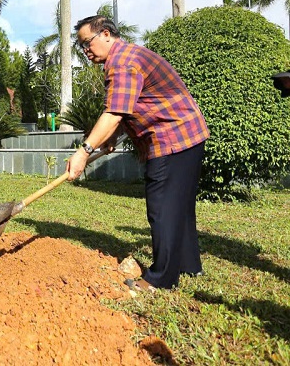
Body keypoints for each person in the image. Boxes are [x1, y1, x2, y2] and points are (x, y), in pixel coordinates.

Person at [66, 15, 209, 292]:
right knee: (179, 208)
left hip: (172, 138)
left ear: (106, 34)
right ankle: (189, 266)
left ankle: (161, 279)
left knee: (162, 208)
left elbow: (115, 112)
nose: (85, 51)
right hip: (189, 135)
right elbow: (132, 107)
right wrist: (112, 138)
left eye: (87, 43)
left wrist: (84, 152)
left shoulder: (122, 63)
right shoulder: (127, 56)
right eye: (81, 46)